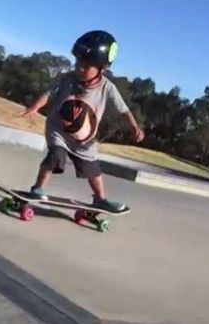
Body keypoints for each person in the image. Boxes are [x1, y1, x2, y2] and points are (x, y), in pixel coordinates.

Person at [21, 30, 145, 212]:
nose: (79, 68)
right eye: (78, 62)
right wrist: (35, 107)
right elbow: (49, 94)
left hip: (85, 140)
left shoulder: (107, 88)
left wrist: (135, 127)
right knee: (55, 157)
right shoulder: (67, 79)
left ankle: (100, 199)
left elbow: (123, 109)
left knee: (93, 170)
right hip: (59, 131)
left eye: (86, 67)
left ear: (101, 68)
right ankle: (37, 189)